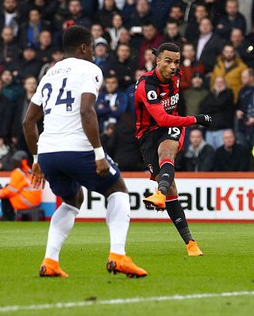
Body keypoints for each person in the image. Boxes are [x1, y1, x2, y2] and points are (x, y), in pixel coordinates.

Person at [22, 25, 147, 278]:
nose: (92, 52)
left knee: (72, 200)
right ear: (83, 47)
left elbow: (28, 122)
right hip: (76, 148)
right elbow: (86, 110)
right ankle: (118, 255)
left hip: (48, 153)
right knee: (117, 190)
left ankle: (50, 261)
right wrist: (99, 153)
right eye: (91, 47)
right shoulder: (91, 69)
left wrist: (36, 158)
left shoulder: (49, 73)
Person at [136, 42, 212, 257]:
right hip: (148, 134)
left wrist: (182, 122)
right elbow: (160, 118)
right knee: (172, 191)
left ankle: (159, 193)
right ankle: (191, 244)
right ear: (157, 60)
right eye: (168, 61)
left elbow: (168, 118)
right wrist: (196, 119)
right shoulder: (146, 85)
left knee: (167, 153)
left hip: (172, 126)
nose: (172, 66)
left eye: (176, 62)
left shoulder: (178, 77)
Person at [0, 150, 42, 221]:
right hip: (36, 201)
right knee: (9, 191)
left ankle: (7, 217)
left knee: (5, 195)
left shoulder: (18, 173)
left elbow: (10, 191)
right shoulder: (30, 170)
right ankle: (24, 218)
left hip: (27, 201)